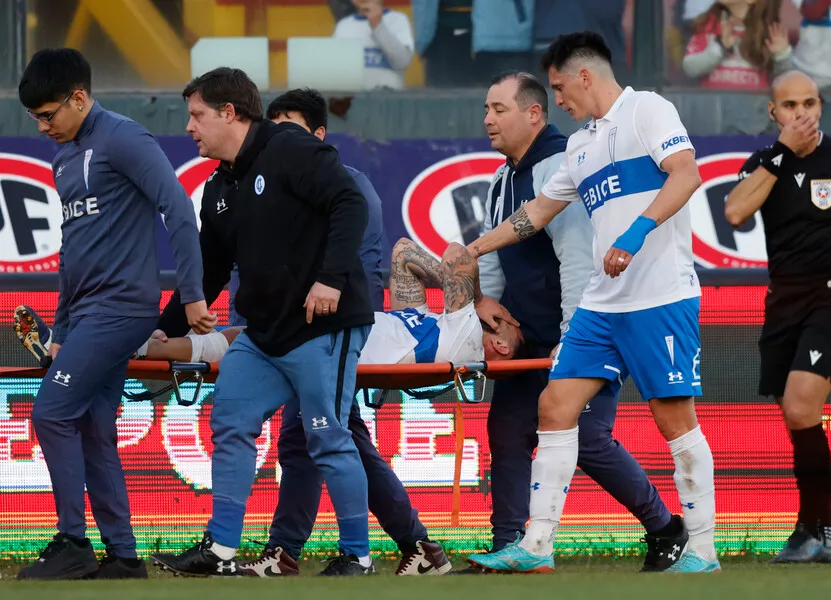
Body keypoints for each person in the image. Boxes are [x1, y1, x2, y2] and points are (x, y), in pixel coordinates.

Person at [465, 31, 720, 574]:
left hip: (660, 295)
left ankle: (701, 550)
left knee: (675, 421)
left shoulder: (647, 110)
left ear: (585, 76)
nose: (557, 100)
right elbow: (537, 212)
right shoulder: (580, 145)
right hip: (602, 305)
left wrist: (635, 232)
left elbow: (687, 174)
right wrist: (476, 248)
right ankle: (536, 545)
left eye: (559, 88)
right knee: (555, 407)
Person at [148, 67, 374, 577]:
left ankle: (356, 556)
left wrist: (331, 279)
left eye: (197, 115)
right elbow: (208, 273)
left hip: (323, 324)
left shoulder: (290, 146)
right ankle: (221, 551)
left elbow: (350, 202)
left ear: (230, 113)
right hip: (264, 335)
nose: (189, 127)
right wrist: (165, 329)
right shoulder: (217, 187)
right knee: (229, 421)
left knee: (327, 437)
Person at [13, 48, 214, 581]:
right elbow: (72, 252)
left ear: (79, 98)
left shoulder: (125, 137)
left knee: (51, 413)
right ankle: (124, 557)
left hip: (121, 309)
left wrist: (192, 294)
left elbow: (178, 207)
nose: (42, 127)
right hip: (87, 316)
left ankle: (73, 543)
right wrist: (62, 329)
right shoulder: (63, 157)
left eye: (48, 114)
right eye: (34, 117)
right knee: (93, 427)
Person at [724, 70, 831, 563]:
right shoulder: (764, 163)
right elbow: (735, 213)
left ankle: (818, 531)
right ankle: (813, 530)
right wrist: (781, 153)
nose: (801, 113)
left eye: (809, 103)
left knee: (802, 406)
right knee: (796, 417)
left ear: (821, 106)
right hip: (782, 300)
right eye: (790, 105)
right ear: (773, 112)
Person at [16, 238, 522, 371]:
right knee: (241, 336)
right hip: (349, 333)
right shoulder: (438, 321)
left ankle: (102, 345)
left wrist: (478, 300)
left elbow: (456, 256)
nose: (506, 319)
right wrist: (469, 299)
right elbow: (404, 254)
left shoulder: (464, 336)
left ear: (498, 345)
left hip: (340, 342)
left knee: (252, 328)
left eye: (509, 326)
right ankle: (133, 347)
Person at [227, 88, 386, 325]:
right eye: (273, 131)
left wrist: (368, 335)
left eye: (290, 130)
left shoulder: (354, 187)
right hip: (265, 333)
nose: (279, 140)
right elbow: (243, 268)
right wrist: (240, 331)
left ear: (318, 134)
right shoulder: (251, 182)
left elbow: (366, 265)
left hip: (333, 330)